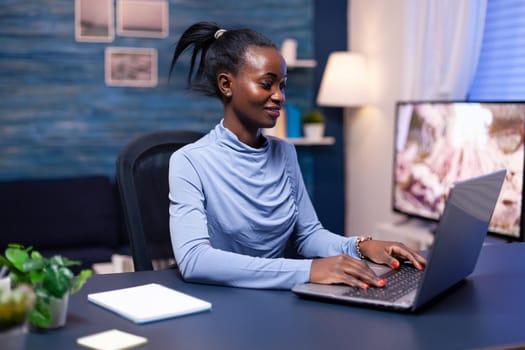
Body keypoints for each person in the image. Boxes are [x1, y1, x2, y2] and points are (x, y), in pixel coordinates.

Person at [168, 21, 426, 290]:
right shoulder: (189, 162)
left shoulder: (285, 152)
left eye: (282, 85)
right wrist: (309, 269)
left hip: (277, 299)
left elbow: (309, 235)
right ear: (226, 84)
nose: (279, 96)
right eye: (267, 84)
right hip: (222, 301)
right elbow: (194, 260)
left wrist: (360, 246)